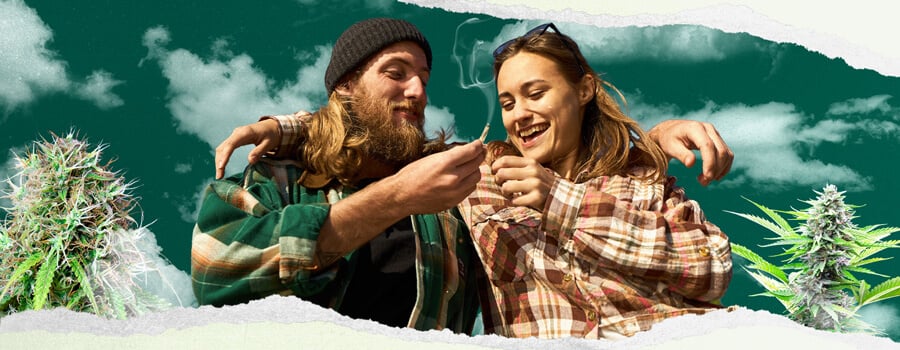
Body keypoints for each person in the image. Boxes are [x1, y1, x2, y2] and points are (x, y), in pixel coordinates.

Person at [199, 18, 734, 336]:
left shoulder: (466, 183)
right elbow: (217, 273)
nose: (417, 92)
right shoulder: (279, 176)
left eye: (423, 79)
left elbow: (708, 268)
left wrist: (653, 136)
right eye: (396, 73)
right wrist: (284, 127)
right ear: (343, 86)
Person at [458, 23, 732, 339]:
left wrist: (563, 203)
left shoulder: (642, 182)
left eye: (536, 94)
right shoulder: (484, 182)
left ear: (584, 90)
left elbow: (712, 268)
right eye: (508, 104)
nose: (519, 114)